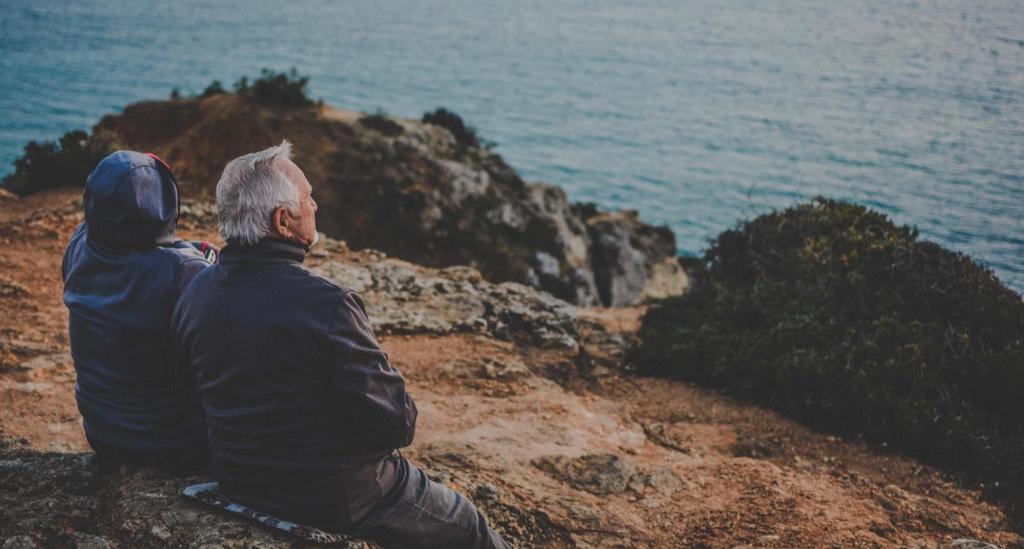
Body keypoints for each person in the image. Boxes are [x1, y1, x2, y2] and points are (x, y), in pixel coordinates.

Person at [171, 141, 509, 548]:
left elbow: (192, 389)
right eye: (309, 198)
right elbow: (397, 424)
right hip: (336, 496)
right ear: (283, 220)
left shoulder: (196, 291)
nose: (316, 206)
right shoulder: (327, 304)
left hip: (238, 479)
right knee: (469, 525)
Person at [62, 150, 215, 473]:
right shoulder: (185, 272)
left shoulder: (79, 244)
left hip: (101, 432)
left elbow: (137, 252)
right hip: (174, 444)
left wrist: (186, 249)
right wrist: (204, 258)